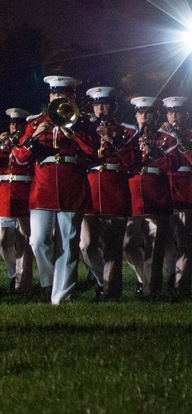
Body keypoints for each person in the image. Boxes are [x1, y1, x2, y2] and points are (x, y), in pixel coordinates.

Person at [13, 75, 98, 304]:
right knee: (38, 240)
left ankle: (62, 296)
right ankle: (50, 283)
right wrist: (36, 134)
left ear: (72, 96)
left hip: (72, 183)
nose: (58, 97)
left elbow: (93, 150)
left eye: (64, 93)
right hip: (43, 185)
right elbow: (20, 157)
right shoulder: (35, 122)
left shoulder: (83, 122)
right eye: (54, 93)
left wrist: (73, 131)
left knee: (69, 242)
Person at [81, 87, 136, 301]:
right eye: (96, 105)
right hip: (91, 191)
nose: (99, 109)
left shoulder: (127, 131)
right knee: (86, 245)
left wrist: (111, 141)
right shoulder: (86, 131)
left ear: (113, 107)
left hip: (114, 190)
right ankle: (99, 279)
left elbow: (132, 161)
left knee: (113, 249)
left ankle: (110, 292)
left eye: (104, 104)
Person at [123, 97, 181, 297]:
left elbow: (172, 164)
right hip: (132, 195)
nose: (144, 117)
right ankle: (142, 278)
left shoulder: (166, 138)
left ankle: (152, 290)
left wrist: (154, 151)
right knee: (128, 244)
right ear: (136, 115)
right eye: (141, 113)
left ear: (155, 115)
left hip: (157, 194)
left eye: (148, 113)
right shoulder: (128, 136)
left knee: (155, 247)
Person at [0, 108, 36, 294]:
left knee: (24, 239)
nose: (14, 126)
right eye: (11, 123)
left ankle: (23, 281)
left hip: (24, 189)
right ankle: (13, 274)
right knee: (1, 240)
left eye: (18, 123)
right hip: (3, 193)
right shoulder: (5, 143)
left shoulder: (28, 143)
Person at [162, 96, 192, 296]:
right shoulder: (161, 135)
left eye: (177, 112)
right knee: (166, 240)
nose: (174, 116)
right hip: (165, 191)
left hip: (186, 190)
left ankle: (181, 284)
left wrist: (183, 143)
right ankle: (171, 275)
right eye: (171, 112)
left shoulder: (189, 135)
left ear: (185, 114)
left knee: (183, 241)